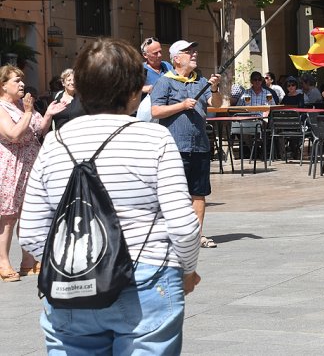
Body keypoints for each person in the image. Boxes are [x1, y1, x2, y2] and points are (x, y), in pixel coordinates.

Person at [19, 37, 201, 353]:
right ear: (135, 92)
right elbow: (183, 224)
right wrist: (186, 270)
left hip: (72, 285)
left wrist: (71, 261)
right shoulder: (155, 138)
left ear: (82, 88)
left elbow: (31, 231)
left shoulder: (54, 143)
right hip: (148, 276)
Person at [151, 40, 221, 249]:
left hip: (199, 145)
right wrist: (181, 105)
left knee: (198, 193)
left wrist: (215, 88)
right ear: (176, 58)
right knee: (174, 194)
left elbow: (215, 105)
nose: (193, 54)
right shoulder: (165, 82)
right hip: (174, 147)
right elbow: (156, 111)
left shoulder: (200, 81)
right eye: (187, 51)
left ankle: (197, 236)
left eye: (193, 50)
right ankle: (171, 235)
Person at [0, 66, 65, 282]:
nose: (21, 85)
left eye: (22, 80)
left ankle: (28, 261)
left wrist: (47, 114)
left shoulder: (22, 104)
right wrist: (28, 113)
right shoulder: (2, 107)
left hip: (30, 164)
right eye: (16, 81)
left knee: (28, 214)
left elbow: (39, 130)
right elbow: (13, 135)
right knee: (8, 217)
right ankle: (3, 263)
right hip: (11, 165)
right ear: (3, 86)